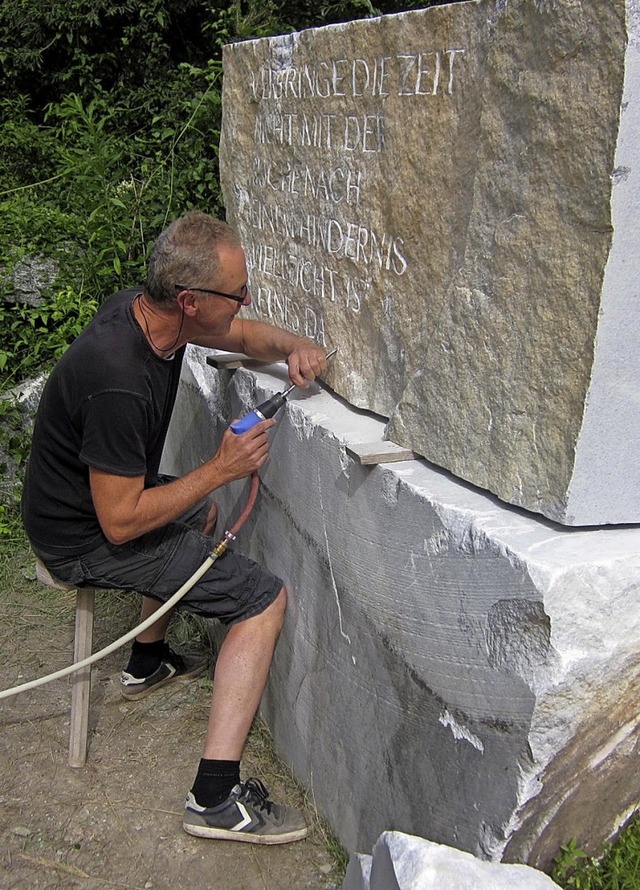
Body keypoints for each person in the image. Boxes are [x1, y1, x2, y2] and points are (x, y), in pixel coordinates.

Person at [21, 211, 329, 845]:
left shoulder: (150, 318)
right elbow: (121, 520)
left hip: (83, 508)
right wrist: (220, 468)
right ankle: (214, 798)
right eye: (236, 291)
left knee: (199, 511)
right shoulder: (117, 379)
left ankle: (148, 658)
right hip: (81, 535)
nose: (245, 300)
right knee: (261, 600)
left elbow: (243, 333)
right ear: (190, 301)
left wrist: (295, 344)